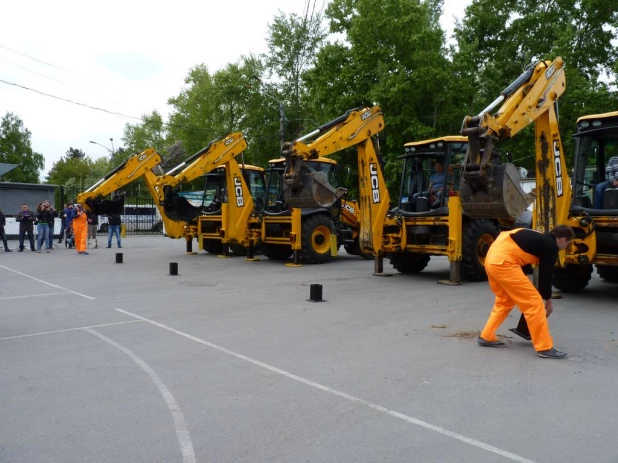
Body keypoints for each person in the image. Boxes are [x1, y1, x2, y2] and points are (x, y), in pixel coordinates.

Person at [478, 225, 574, 359]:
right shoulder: (551, 246)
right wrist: (548, 301)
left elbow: (521, 257)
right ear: (563, 239)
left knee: (504, 301)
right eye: (568, 243)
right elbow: (545, 276)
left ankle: (486, 336)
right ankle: (544, 348)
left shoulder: (537, 237)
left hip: (492, 259)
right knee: (534, 303)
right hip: (505, 262)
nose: (566, 247)